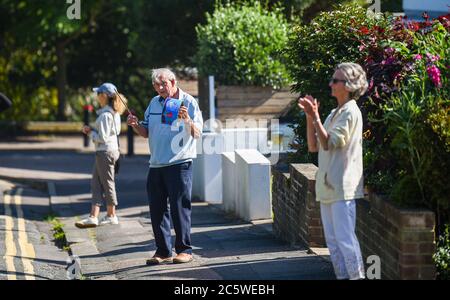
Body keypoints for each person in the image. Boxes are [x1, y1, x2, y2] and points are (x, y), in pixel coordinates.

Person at [298, 62, 367, 280]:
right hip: (328, 186)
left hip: (342, 186)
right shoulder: (334, 113)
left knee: (346, 241)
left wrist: (316, 116)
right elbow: (314, 146)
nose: (330, 84)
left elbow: (330, 143)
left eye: (335, 80)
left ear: (348, 85)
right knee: (334, 242)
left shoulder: (350, 112)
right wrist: (311, 117)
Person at [127, 68, 203, 265]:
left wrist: (186, 119)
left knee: (180, 209)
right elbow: (146, 132)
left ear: (173, 81)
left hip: (180, 163)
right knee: (157, 209)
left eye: (164, 84)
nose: (160, 88)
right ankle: (163, 251)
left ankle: (184, 250)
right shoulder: (153, 102)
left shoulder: (189, 101)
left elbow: (197, 133)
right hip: (156, 164)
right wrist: (135, 125)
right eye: (156, 84)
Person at [76, 83, 127, 228]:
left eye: (99, 94)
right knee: (96, 183)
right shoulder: (113, 113)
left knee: (107, 183)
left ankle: (111, 215)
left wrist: (89, 132)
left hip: (104, 151)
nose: (97, 96)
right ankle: (93, 216)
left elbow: (102, 137)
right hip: (108, 151)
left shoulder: (105, 115)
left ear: (104, 95)